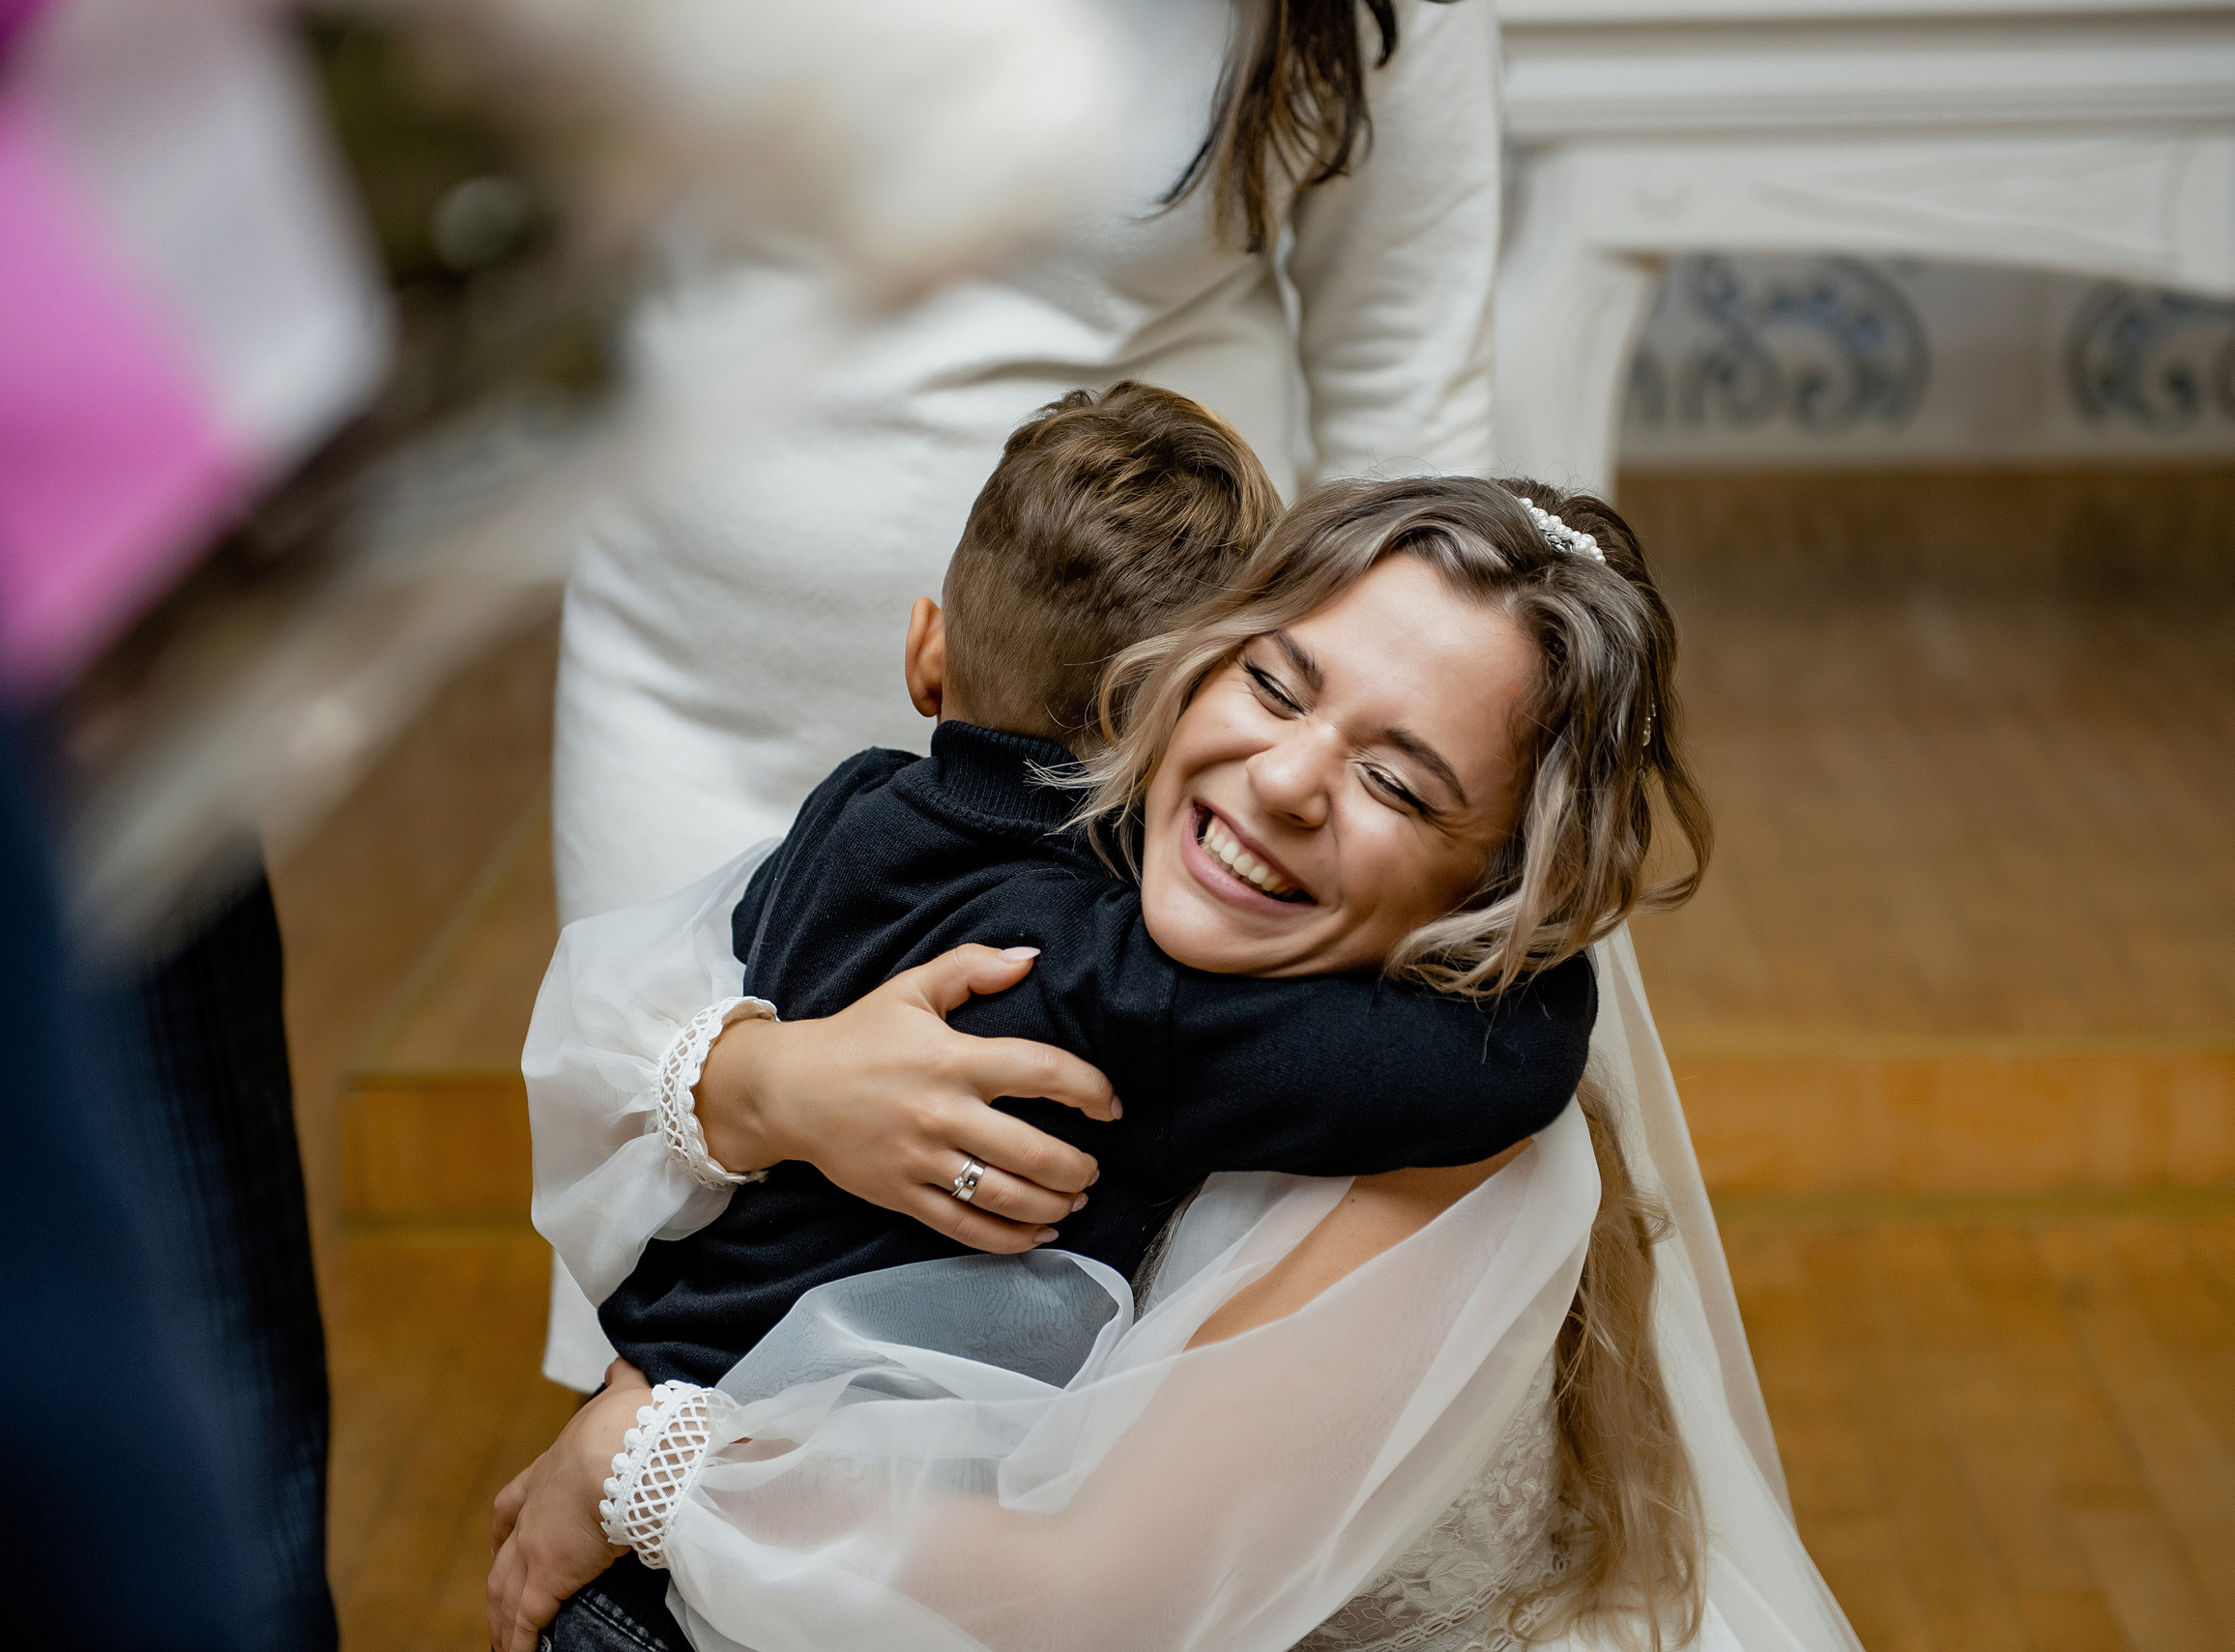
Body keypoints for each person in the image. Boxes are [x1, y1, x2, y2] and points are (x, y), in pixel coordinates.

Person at [495, 478, 1860, 1651]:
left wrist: (648, 1465)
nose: (1285, 779)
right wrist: (767, 1084)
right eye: (1275, 684)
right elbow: (612, 1021)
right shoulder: (1076, 868)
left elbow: (1097, 1596)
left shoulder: (1432, 1120)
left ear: (1504, 887)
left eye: (1399, 782)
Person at [543, 0, 1510, 1390]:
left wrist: (1446, 824)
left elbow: (1407, 384)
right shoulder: (1084, 965)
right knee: (671, 1191)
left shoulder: (917, 842)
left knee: (1075, 1368)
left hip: (1160, 791)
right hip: (682, 689)